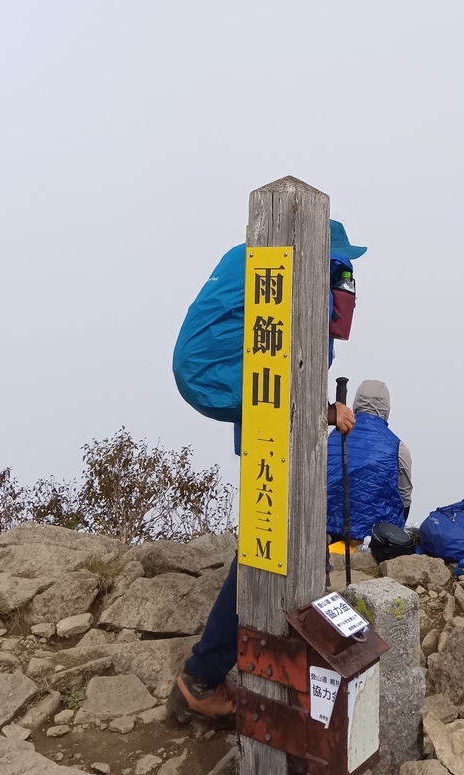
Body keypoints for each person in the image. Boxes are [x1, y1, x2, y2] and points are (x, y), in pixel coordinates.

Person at [166, 220, 366, 727]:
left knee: (266, 537)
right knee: (269, 541)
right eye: (341, 267)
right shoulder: (295, 277)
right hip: (252, 401)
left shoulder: (259, 262)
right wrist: (324, 410)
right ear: (321, 257)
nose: (347, 280)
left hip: (245, 402)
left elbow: (273, 370)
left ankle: (223, 668)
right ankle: (201, 678)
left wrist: (316, 410)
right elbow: (295, 366)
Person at [326, 379, 412, 542]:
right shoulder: (398, 447)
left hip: (330, 528)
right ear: (386, 407)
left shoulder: (333, 436)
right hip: (375, 536)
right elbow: (405, 498)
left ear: (356, 402)